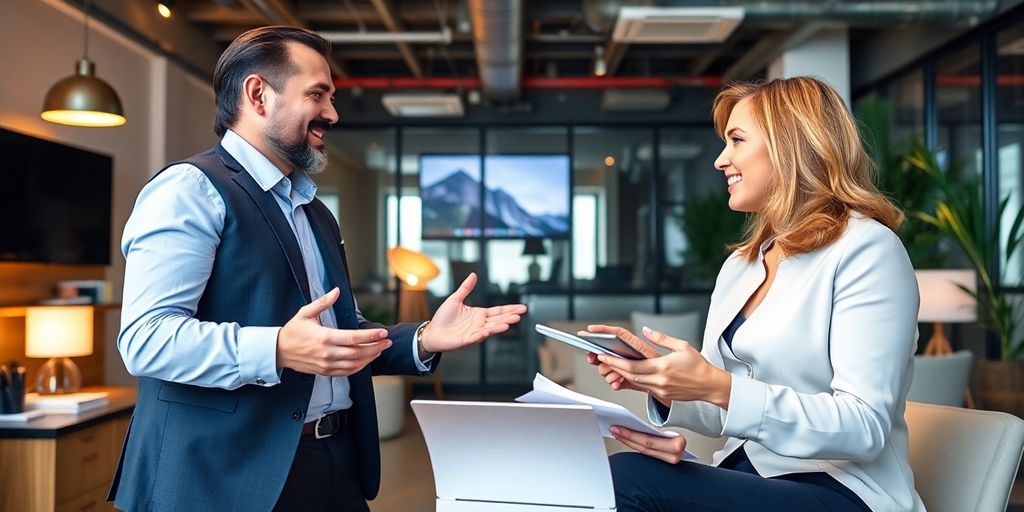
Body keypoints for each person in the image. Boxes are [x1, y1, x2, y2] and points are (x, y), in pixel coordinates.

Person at [108, 26, 526, 512]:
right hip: (226, 476)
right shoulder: (190, 189)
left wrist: (425, 338)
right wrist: (280, 347)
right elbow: (146, 339)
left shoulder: (313, 210)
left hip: (333, 463)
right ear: (258, 94)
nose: (332, 113)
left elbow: (336, 334)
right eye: (318, 95)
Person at [586, 76, 924, 512]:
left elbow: (864, 426)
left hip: (841, 489)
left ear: (791, 146)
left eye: (736, 140)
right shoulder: (742, 265)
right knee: (610, 472)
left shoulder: (867, 250)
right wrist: (667, 385)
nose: (720, 160)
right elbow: (726, 407)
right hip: (751, 473)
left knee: (628, 479)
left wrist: (718, 385)